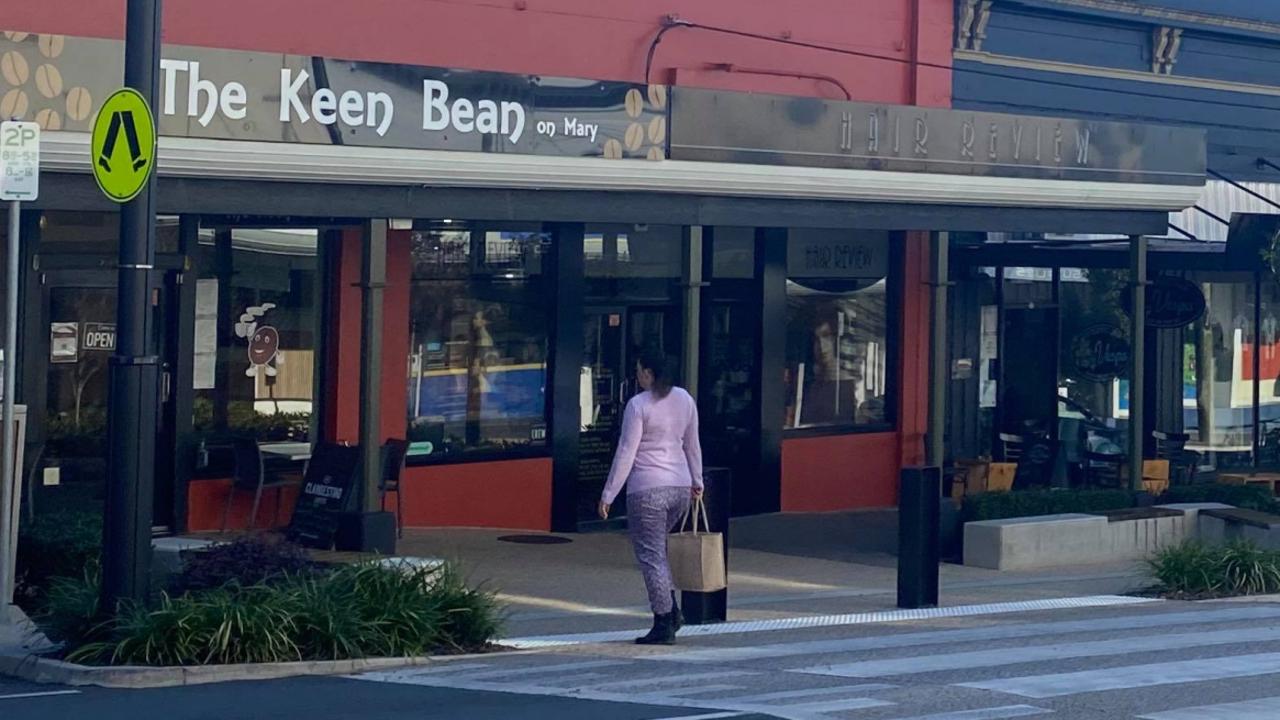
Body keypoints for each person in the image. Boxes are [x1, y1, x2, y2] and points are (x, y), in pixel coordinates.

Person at [598, 348, 704, 645]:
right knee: (658, 551)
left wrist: (609, 493)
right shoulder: (685, 399)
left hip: (646, 488)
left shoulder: (637, 405)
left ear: (650, 374)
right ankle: (671, 610)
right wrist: (697, 480)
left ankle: (663, 621)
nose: (637, 374)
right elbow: (692, 444)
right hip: (680, 486)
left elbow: (626, 451)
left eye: (640, 370)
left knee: (651, 555)